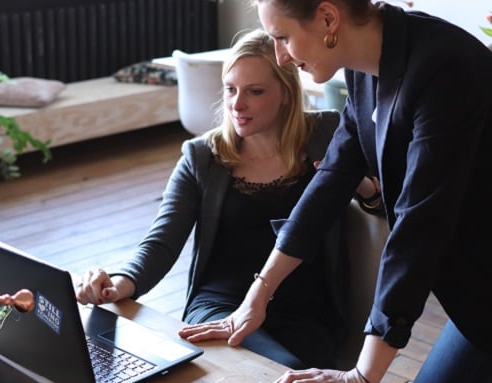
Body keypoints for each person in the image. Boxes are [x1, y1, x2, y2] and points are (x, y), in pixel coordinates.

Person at [178, 1, 492, 382]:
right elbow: (332, 179)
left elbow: (419, 226)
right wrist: (257, 297)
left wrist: (361, 376)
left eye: (283, 38)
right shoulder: (366, 69)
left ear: (328, 18)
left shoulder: (444, 68)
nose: (281, 56)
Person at [77, 28, 378, 369]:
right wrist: (118, 284)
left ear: (286, 93)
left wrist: (361, 186)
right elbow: (161, 242)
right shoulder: (202, 157)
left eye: (255, 91)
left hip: (307, 311)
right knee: (273, 369)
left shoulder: (328, 133)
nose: (237, 104)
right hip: (221, 305)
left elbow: (384, 207)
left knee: (287, 369)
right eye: (230, 89)